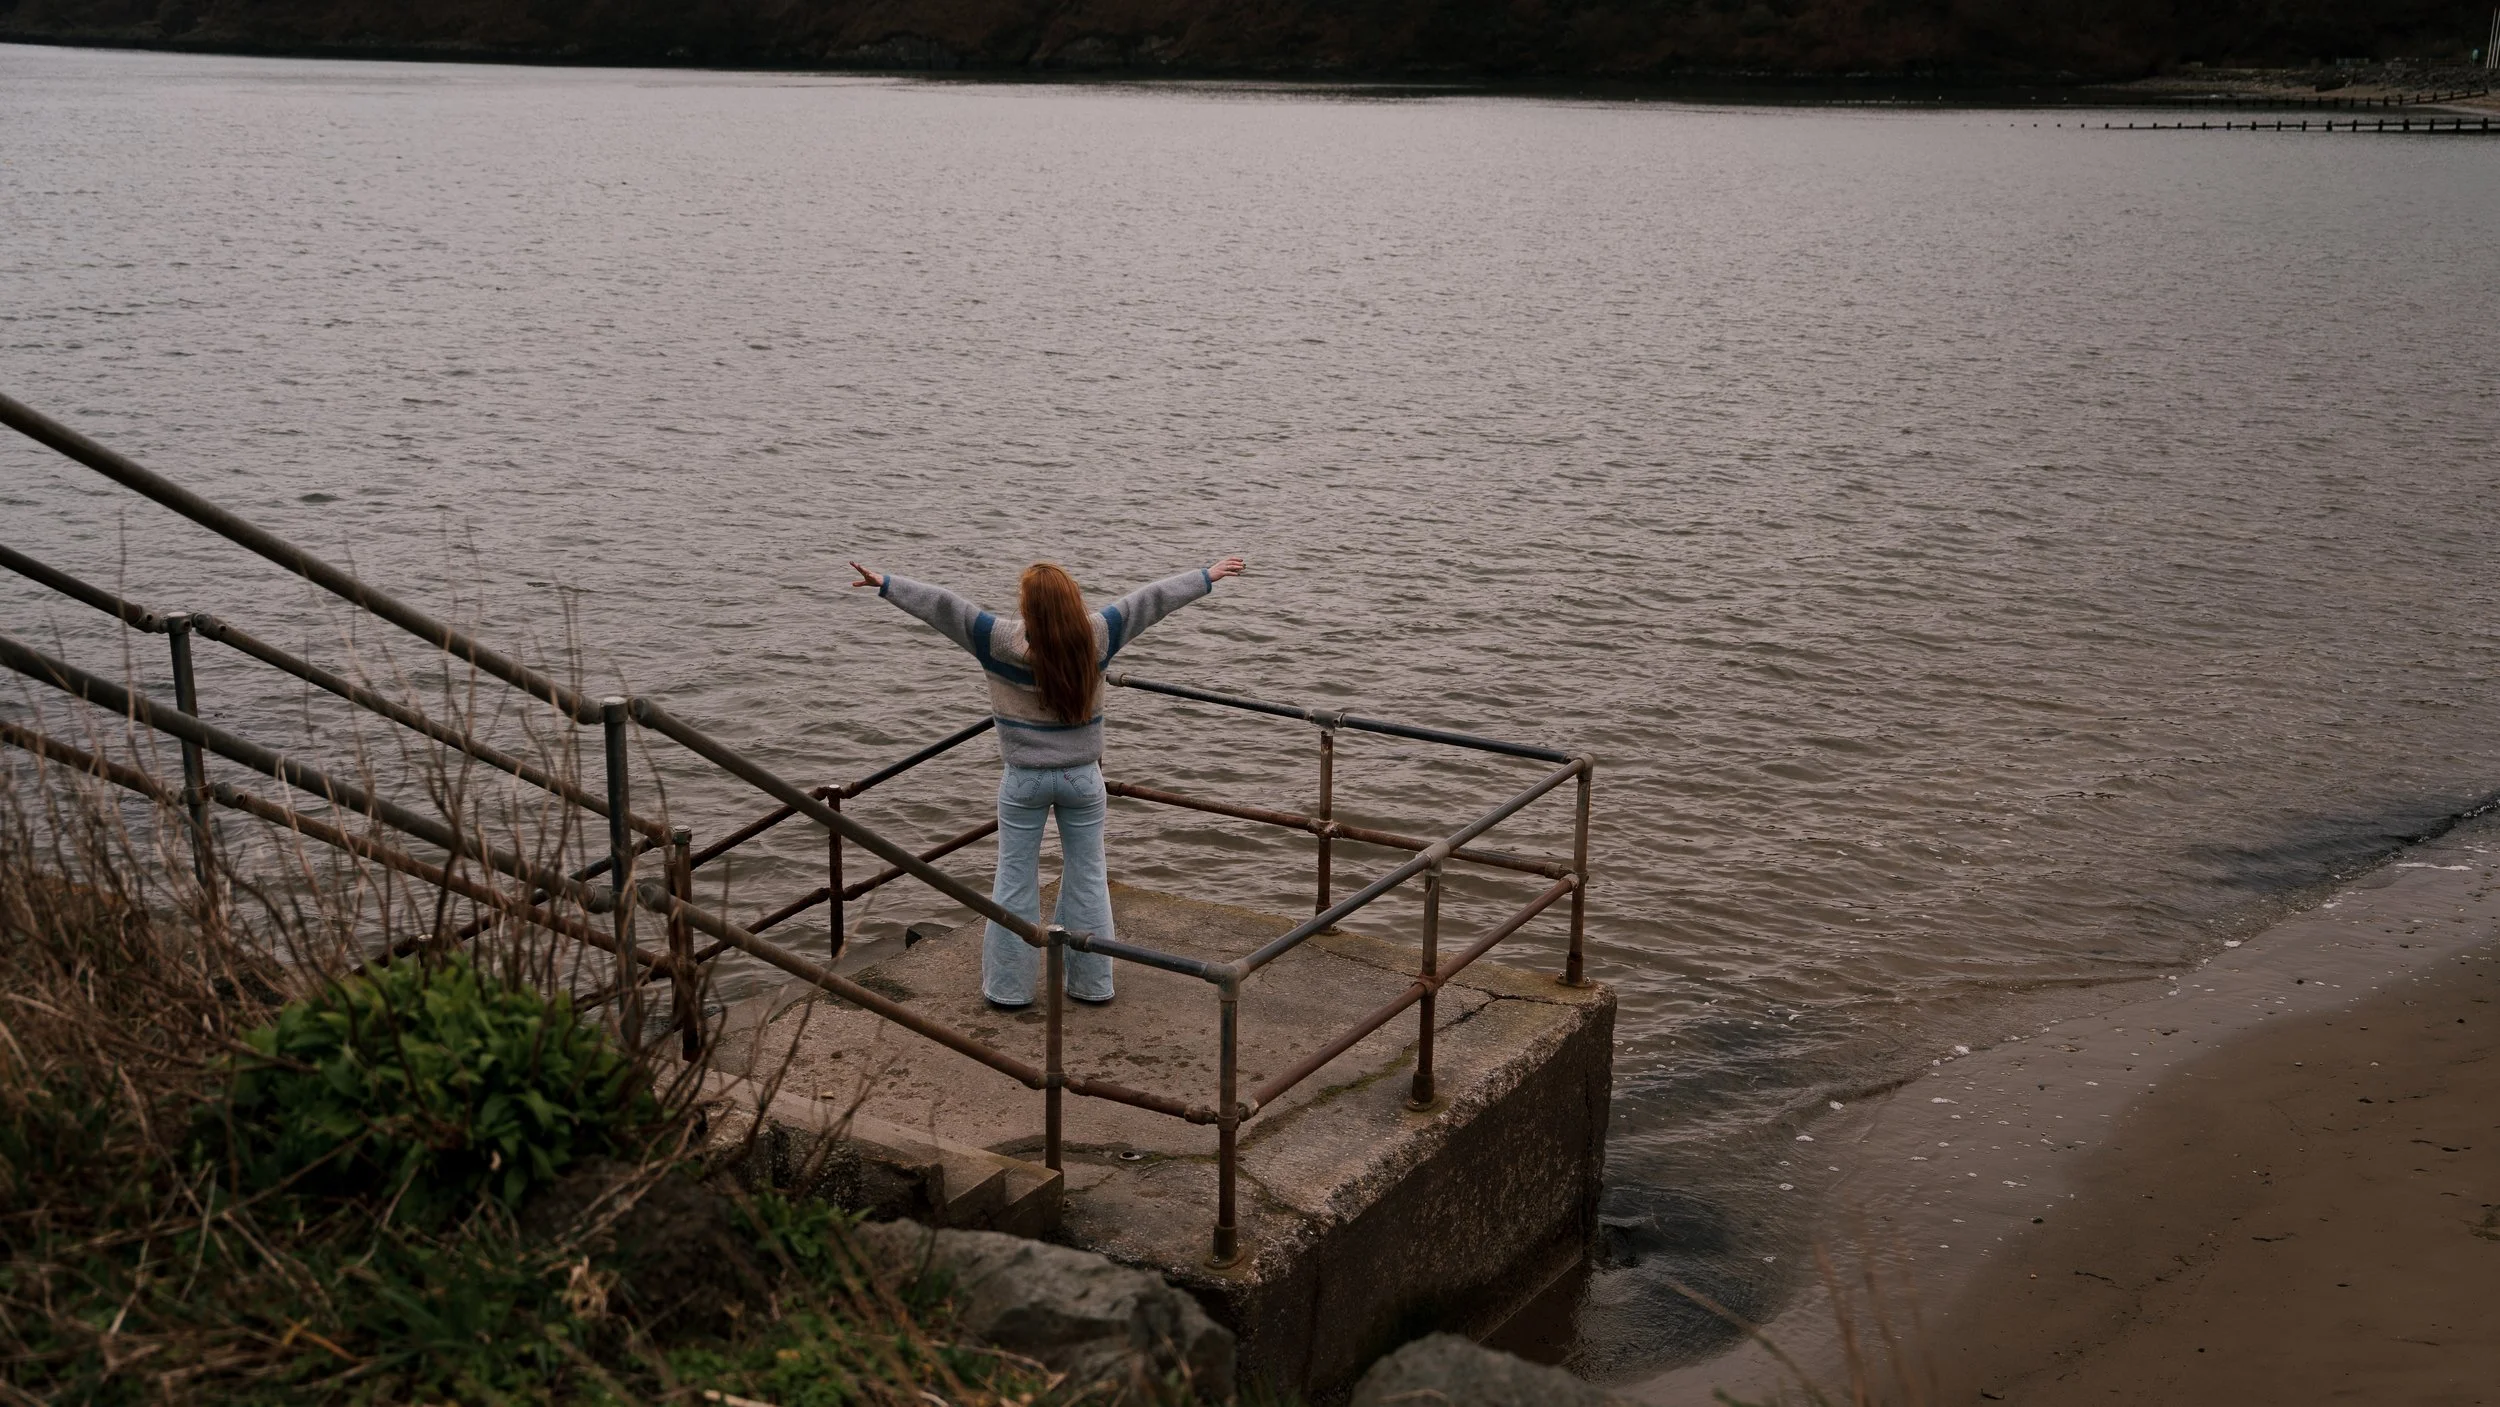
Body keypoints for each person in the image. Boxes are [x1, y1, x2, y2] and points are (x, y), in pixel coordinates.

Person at [850, 555, 1247, 1008]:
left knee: (1014, 881)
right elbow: (1149, 601)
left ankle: (1009, 991)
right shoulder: (1098, 634)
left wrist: (888, 583)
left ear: (1028, 606)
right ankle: (1092, 985)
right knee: (1088, 877)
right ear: (1072, 600)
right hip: (1082, 780)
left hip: (1024, 782)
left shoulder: (997, 640)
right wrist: (1205, 577)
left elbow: (946, 607)